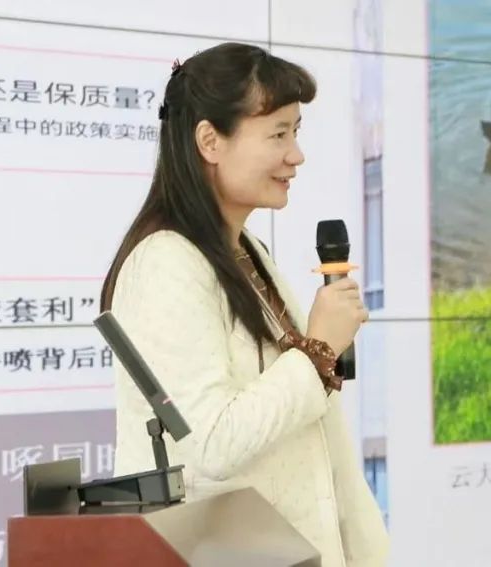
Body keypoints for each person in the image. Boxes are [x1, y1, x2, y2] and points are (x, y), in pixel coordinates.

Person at [100, 42, 390, 566]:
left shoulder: (245, 249)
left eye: (295, 132)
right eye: (278, 135)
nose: (296, 155)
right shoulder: (166, 261)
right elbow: (211, 444)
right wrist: (317, 351)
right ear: (210, 141)